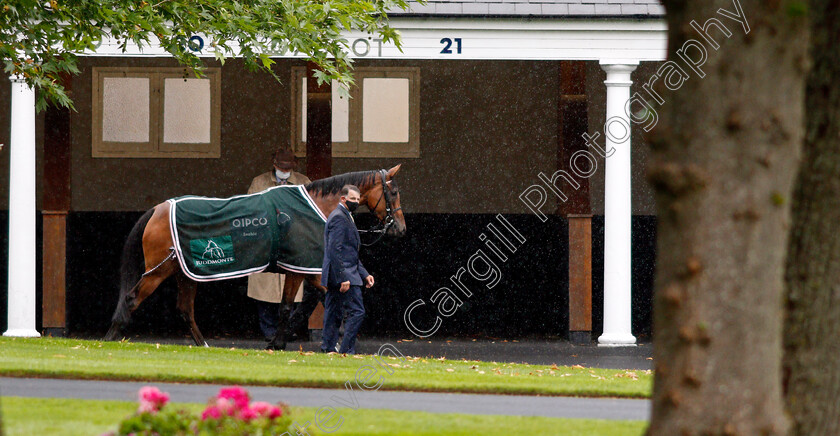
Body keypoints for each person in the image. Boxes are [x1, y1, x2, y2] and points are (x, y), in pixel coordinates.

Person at [246, 147, 311, 345]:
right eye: (281, 167)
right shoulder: (259, 182)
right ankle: (269, 331)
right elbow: (250, 207)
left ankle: (287, 330)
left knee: (294, 289)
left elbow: (311, 209)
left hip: (294, 242)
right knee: (263, 288)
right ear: (273, 165)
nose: (284, 170)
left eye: (288, 167)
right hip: (267, 241)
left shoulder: (304, 182)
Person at [320, 184, 374, 354]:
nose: (356, 202)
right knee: (357, 312)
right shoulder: (339, 217)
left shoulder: (344, 216)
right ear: (343, 199)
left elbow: (349, 251)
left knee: (333, 313)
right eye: (353, 199)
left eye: (358, 199)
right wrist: (343, 277)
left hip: (341, 273)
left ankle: (328, 348)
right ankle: (346, 350)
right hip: (344, 275)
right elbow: (335, 250)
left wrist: (364, 274)